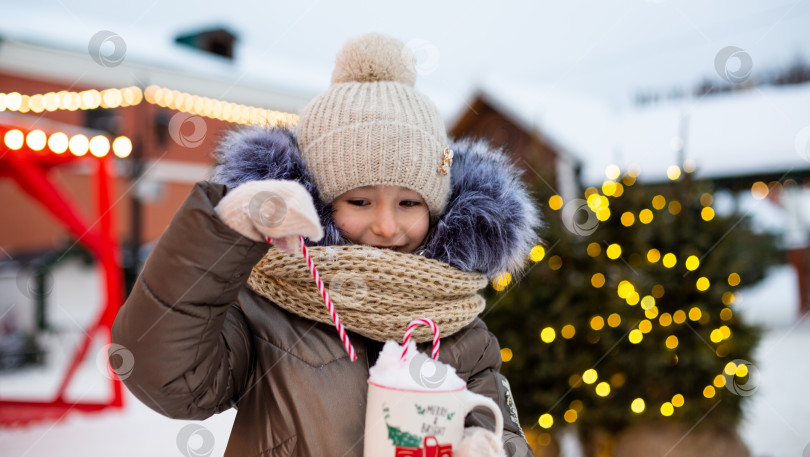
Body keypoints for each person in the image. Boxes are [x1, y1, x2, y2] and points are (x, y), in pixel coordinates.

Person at [112, 33, 541, 457]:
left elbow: (499, 428)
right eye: (360, 201)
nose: (387, 226)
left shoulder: (462, 334)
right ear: (319, 200)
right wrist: (221, 237)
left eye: (409, 202)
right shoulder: (264, 315)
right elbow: (163, 377)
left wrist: (488, 448)